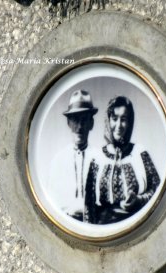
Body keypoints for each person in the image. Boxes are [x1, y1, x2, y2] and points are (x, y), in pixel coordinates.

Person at [84, 96, 160, 224]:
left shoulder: (140, 153)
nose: (119, 125)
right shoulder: (97, 159)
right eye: (114, 119)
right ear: (108, 121)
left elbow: (157, 190)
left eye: (123, 119)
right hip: (103, 229)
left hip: (137, 226)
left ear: (129, 122)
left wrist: (139, 200)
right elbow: (88, 207)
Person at [48, 90, 98, 221]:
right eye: (75, 120)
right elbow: (52, 202)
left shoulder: (100, 158)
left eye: (84, 120)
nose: (80, 127)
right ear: (68, 123)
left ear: (91, 124)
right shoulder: (58, 161)